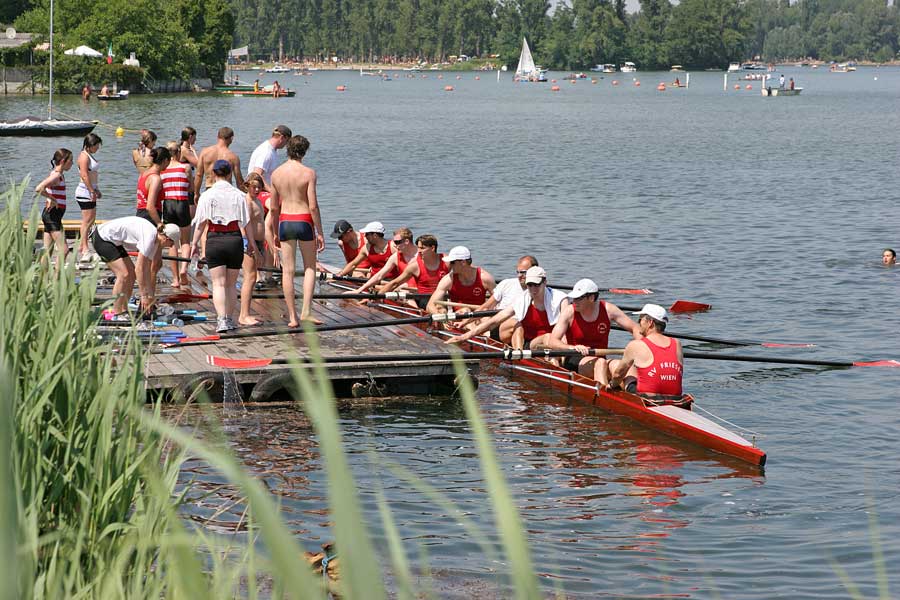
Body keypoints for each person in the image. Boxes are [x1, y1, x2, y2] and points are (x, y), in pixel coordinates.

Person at [191, 160, 257, 332]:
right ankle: (229, 318)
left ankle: (221, 320)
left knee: (218, 284)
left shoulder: (207, 195)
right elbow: (247, 222)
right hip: (234, 239)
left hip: (214, 239)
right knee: (231, 284)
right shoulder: (239, 195)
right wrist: (250, 243)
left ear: (213, 174)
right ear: (229, 174)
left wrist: (194, 244)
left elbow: (200, 223)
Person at [267, 135, 325, 326]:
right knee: (310, 267)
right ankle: (306, 311)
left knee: (287, 271)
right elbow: (313, 206)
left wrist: (275, 232)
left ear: (288, 150)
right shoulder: (309, 173)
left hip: (285, 221)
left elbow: (274, 208)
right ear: (304, 151)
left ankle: (292, 317)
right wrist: (320, 232)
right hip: (304, 220)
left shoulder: (276, 174)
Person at [446, 265, 567, 351]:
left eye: (536, 285)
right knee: (538, 333)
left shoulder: (560, 299)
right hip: (530, 343)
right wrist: (464, 337)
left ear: (545, 282)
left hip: (553, 343)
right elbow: (495, 320)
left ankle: (560, 363)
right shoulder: (523, 299)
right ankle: (520, 357)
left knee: (551, 338)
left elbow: (566, 329)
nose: (533, 289)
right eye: (530, 285)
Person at [548, 278, 641, 386]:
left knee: (622, 365)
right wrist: (572, 347)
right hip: (575, 358)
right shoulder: (569, 312)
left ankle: (635, 392)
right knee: (600, 363)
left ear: (591, 298)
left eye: (579, 298)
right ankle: (604, 396)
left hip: (600, 357)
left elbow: (635, 328)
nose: (574, 302)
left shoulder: (608, 310)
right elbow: (552, 341)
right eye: (574, 298)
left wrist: (640, 347)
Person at [93, 218, 179, 317]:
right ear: (166, 239)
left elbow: (147, 269)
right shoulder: (149, 237)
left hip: (114, 241)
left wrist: (150, 295)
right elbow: (139, 268)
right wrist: (143, 295)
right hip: (102, 237)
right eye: (171, 244)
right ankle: (116, 313)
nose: (171, 246)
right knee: (123, 275)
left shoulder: (155, 242)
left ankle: (124, 310)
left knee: (131, 275)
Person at [608, 304, 683, 397]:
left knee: (624, 374)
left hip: (647, 399)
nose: (638, 323)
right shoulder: (677, 343)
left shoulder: (636, 345)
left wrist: (611, 385)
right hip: (676, 398)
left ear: (650, 322)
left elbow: (618, 374)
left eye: (640, 320)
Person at [467, 255, 538, 343]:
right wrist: (465, 322)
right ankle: (518, 353)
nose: (519, 276)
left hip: (525, 329)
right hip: (501, 326)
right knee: (516, 324)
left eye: (523, 272)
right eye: (518, 272)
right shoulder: (507, 284)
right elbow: (486, 307)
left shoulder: (540, 291)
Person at [377, 234, 448, 307]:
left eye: (422, 248)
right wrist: (377, 296)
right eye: (418, 248)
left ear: (432, 248)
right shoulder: (414, 266)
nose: (419, 251)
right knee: (440, 308)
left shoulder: (446, 261)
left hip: (444, 298)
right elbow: (395, 283)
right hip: (425, 300)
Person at [426, 246, 496, 317]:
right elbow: (430, 305)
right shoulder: (448, 280)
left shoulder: (485, 278)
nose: (449, 265)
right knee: (465, 310)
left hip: (479, 316)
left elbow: (499, 301)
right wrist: (441, 317)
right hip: (458, 317)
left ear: (463, 262)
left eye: (452, 262)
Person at [161, 141, 194, 287]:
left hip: (168, 204)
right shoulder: (185, 167)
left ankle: (175, 279)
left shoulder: (163, 170)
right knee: (186, 241)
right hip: (182, 202)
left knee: (171, 243)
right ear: (178, 153)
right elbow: (191, 187)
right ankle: (184, 270)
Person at [238, 173, 269, 325]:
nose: (256, 190)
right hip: (249, 243)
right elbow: (244, 225)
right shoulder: (247, 202)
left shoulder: (257, 201)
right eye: (254, 187)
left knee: (254, 277)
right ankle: (244, 315)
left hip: (259, 241)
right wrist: (251, 246)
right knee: (249, 278)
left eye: (259, 187)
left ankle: (247, 313)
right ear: (247, 186)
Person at [352, 227, 417, 296]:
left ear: (407, 241)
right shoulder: (395, 257)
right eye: (394, 242)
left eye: (397, 242)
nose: (395, 245)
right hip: (405, 290)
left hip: (419, 291)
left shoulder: (422, 255)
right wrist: (359, 290)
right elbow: (379, 275)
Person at [34, 148, 74, 260]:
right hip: (52, 215)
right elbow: (39, 188)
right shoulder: (56, 175)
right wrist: (52, 199)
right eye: (70, 160)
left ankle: (44, 276)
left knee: (47, 251)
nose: (72, 163)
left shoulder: (56, 174)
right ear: (62, 161)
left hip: (52, 215)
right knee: (64, 250)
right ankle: (57, 276)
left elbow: (47, 189)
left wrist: (50, 198)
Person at [74, 133, 102, 262]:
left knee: (90, 220)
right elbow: (84, 175)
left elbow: (92, 175)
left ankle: (82, 245)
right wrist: (91, 191)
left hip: (91, 189)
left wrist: (96, 189)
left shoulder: (89, 155)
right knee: (87, 221)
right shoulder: (83, 157)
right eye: (96, 146)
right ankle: (85, 249)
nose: (98, 148)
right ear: (90, 145)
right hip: (85, 191)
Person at [195, 126, 245, 192]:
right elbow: (239, 181)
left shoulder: (204, 152)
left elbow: (199, 174)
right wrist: (246, 195)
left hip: (210, 190)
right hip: (226, 191)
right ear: (231, 138)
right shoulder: (233, 157)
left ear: (218, 137)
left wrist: (196, 193)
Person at [135, 147, 170, 226]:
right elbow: (150, 206)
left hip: (140, 213)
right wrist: (159, 223)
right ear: (165, 161)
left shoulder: (143, 174)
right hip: (149, 217)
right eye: (169, 162)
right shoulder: (155, 179)